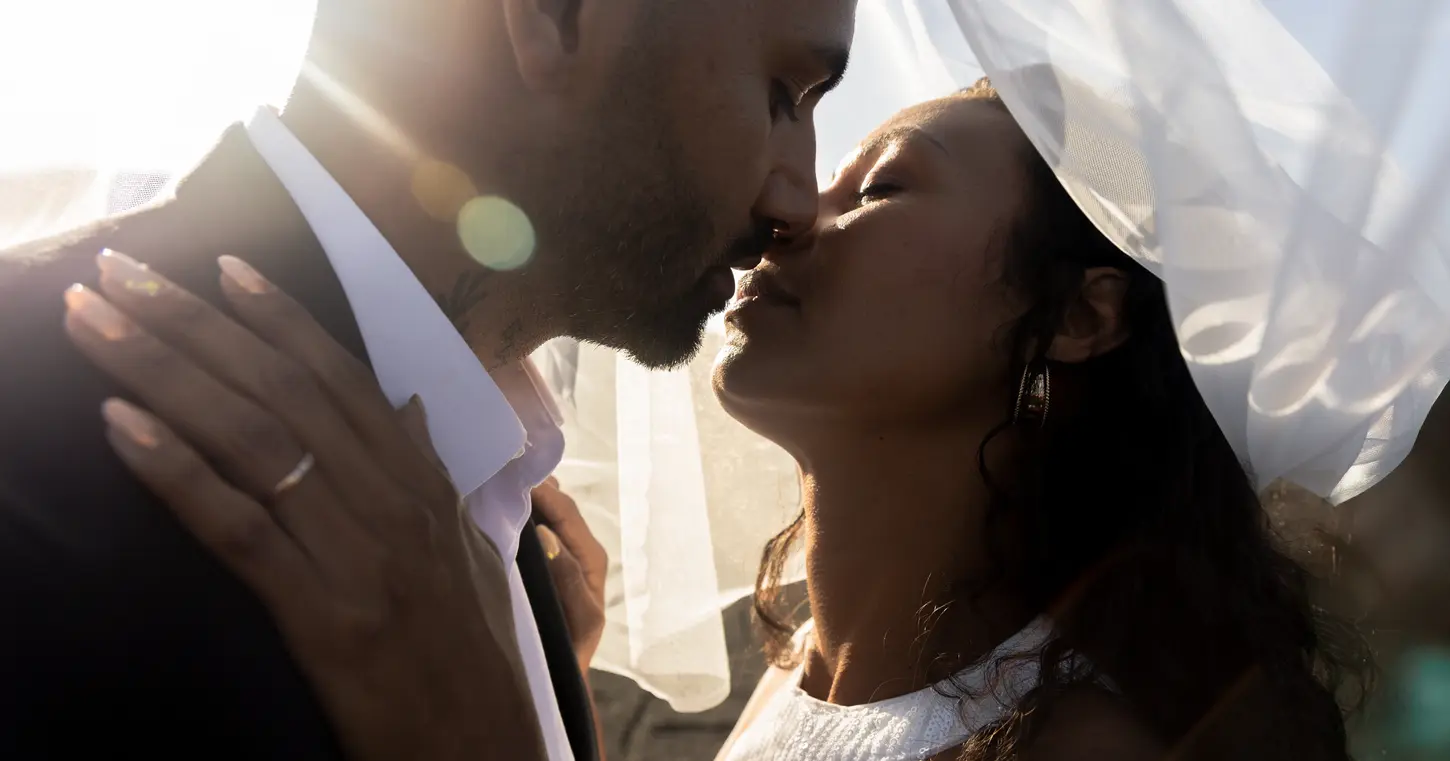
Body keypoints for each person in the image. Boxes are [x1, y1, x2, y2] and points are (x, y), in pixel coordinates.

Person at [55, 73, 1380, 759]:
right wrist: (537, 672)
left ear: (1084, 315)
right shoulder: (806, 673)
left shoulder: (1089, 746)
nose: (794, 214)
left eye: (882, 188)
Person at [0, 0, 854, 758]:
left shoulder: (515, 516)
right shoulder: (36, 409)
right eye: (784, 92)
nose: (799, 200)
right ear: (554, 17)